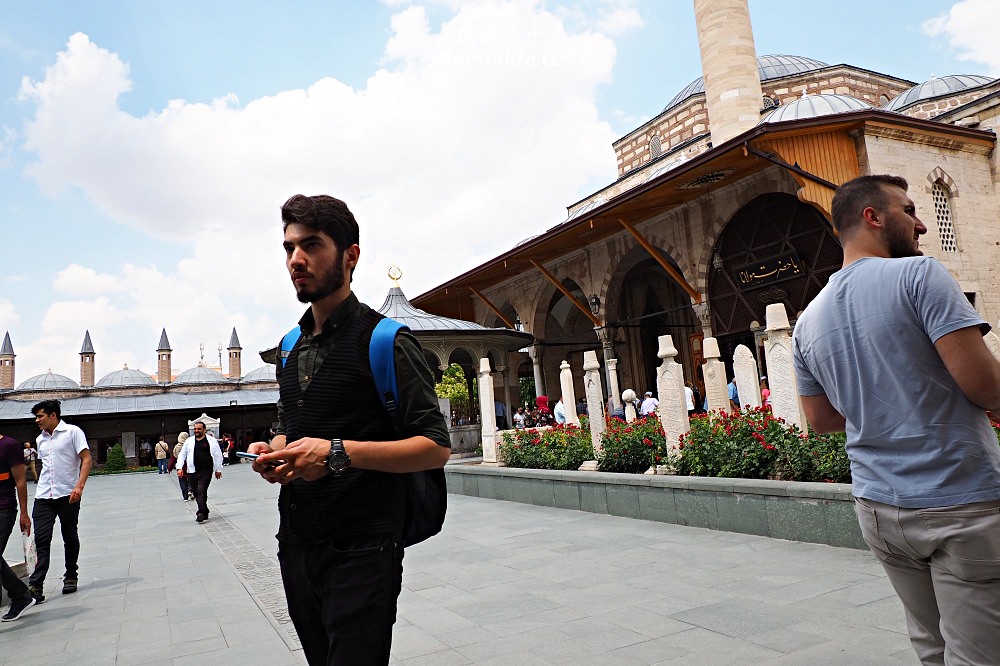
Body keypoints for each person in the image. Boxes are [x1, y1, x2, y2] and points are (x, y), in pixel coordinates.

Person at [792, 174, 1000, 665]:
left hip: (880, 507)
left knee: (931, 645)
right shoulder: (919, 276)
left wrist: (884, 404)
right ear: (873, 216)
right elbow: (985, 386)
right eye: (909, 210)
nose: (921, 224)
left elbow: (820, 419)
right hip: (958, 501)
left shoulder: (808, 320)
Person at [247, 193, 451, 665]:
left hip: (364, 547)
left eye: (312, 245)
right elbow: (290, 421)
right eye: (289, 247)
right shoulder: (289, 347)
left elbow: (434, 446)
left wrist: (338, 453)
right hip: (297, 543)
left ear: (350, 255)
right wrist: (275, 450)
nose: (296, 259)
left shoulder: (387, 341)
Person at [28, 399, 92, 603]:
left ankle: (71, 575)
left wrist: (79, 486)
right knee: (41, 540)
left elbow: (87, 459)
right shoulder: (40, 440)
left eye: (40, 416)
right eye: (36, 417)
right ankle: (35, 585)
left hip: (68, 495)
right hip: (44, 495)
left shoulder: (73, 432)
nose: (37, 420)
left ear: (53, 415)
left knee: (69, 536)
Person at [0, 431, 35, 621]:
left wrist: (23, 513)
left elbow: (21, 481)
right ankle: (21, 596)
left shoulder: (10, 446)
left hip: (3, 509)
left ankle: (21, 596)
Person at [177, 422, 223, 523]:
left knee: (201, 490)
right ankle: (205, 510)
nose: (197, 431)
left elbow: (217, 454)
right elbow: (182, 454)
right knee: (195, 492)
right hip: (192, 471)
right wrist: (179, 467)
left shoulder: (211, 441)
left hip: (206, 470)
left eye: (199, 429)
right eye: (195, 429)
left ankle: (200, 513)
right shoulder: (189, 441)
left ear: (204, 430)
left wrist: (218, 469)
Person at [172, 432, 192, 500]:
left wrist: (170, 467)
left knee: (182, 480)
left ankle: (185, 496)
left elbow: (174, 457)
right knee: (191, 478)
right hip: (189, 465)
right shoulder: (189, 445)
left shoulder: (176, 447)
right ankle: (190, 490)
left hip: (180, 466)